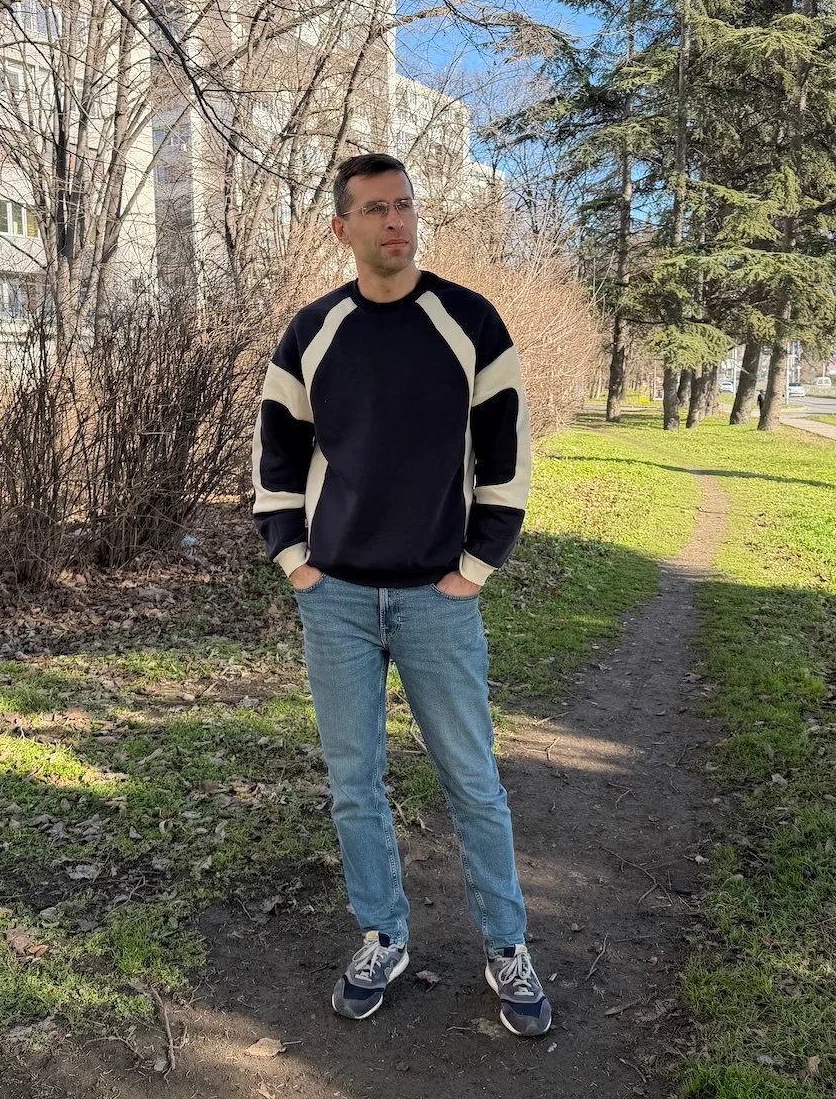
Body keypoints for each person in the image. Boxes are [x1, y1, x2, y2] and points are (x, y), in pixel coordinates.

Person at [250, 153, 550, 1037]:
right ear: (341, 228)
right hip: (336, 597)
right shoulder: (314, 331)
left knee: (474, 781)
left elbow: (507, 456)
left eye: (406, 206)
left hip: (435, 598)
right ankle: (382, 936)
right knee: (355, 784)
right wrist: (294, 561)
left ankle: (507, 946)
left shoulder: (469, 321)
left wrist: (476, 568)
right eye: (377, 208)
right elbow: (276, 454)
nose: (396, 221)